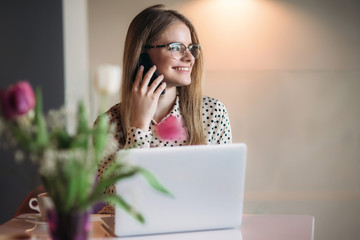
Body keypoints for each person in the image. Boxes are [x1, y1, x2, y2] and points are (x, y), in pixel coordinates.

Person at [96, 4, 232, 214]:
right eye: (177, 47)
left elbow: (223, 195)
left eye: (191, 47)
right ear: (142, 55)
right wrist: (139, 126)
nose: (190, 58)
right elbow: (119, 201)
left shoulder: (213, 114)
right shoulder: (107, 124)